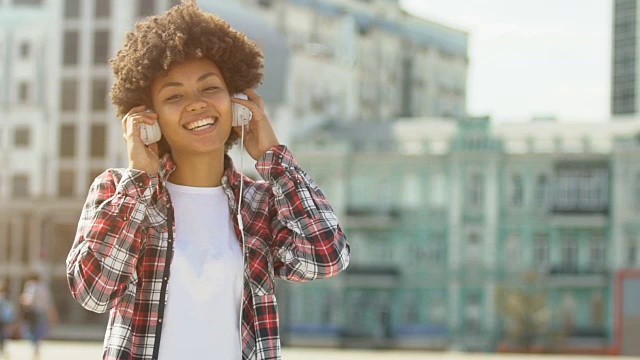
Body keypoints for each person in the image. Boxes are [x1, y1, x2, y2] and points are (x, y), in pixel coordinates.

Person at [65, 1, 350, 359]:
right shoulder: (116, 191)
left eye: (209, 88)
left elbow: (327, 256)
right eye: (174, 96)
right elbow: (93, 291)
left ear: (237, 103)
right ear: (147, 116)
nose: (197, 104)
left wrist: (274, 157)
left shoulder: (260, 204)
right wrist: (140, 180)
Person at [20, 273, 57, 360]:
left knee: (31, 330)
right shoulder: (44, 287)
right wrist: (52, 314)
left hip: (33, 312)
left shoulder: (31, 286)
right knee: (39, 329)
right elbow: (48, 302)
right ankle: (36, 346)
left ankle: (35, 346)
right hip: (42, 312)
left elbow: (29, 299)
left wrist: (23, 300)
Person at [0, 280, 15, 360]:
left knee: (2, 336)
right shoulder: (6, 298)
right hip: (5, 320)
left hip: (3, 319)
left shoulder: (5, 298)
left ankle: (2, 351)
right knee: (3, 337)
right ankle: (3, 350)